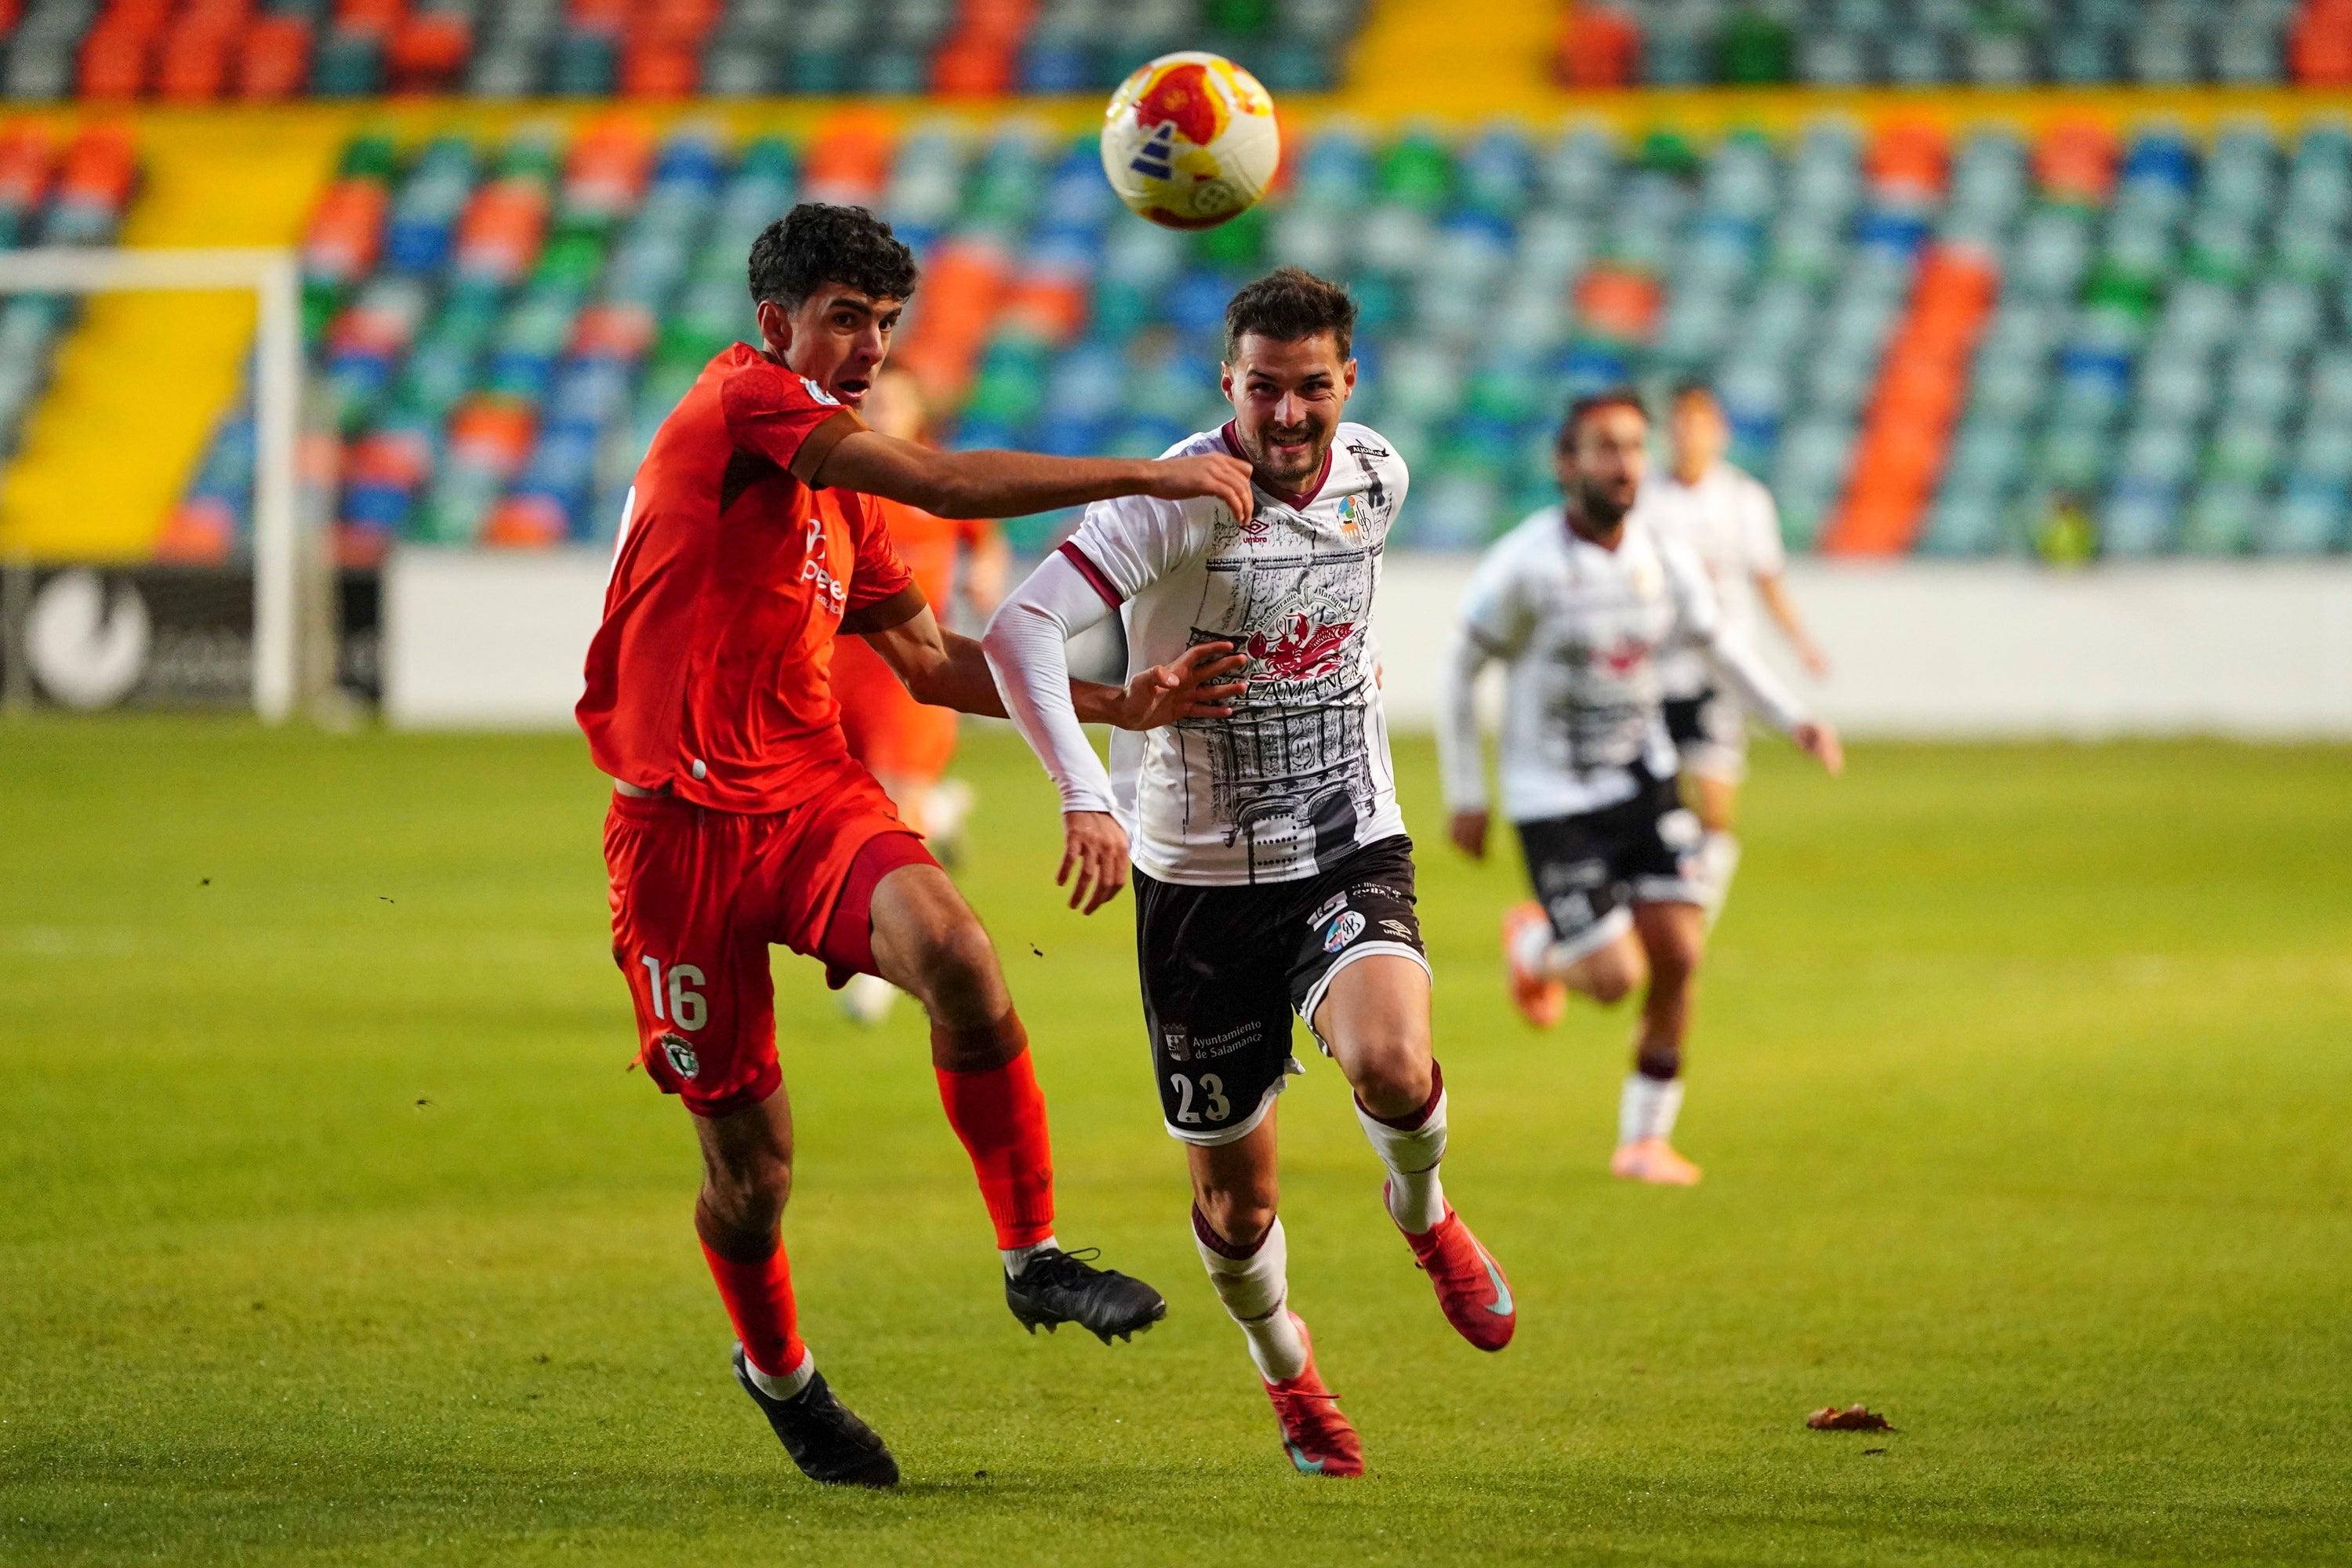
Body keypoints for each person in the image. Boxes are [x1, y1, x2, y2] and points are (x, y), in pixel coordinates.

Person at [577, 203, 1257, 1489]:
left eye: (886, 323)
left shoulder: (835, 497)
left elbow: (939, 665)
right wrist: (1153, 472)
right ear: (776, 323)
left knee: (958, 952)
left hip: (804, 795)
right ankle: (779, 1374)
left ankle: (1034, 1256)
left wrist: (1118, 704)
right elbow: (945, 480)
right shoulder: (746, 408)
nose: (871, 347)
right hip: (673, 834)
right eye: (848, 318)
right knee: (752, 1168)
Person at [983, 267, 1515, 1481]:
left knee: (1392, 1060)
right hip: (1197, 883)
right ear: (1227, 384)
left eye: (1312, 388)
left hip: (1346, 838)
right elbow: (1019, 628)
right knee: (1237, 1210)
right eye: (1263, 389)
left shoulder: (1377, 475)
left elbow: (1337, 616)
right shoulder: (1173, 500)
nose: (1288, 416)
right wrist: (1087, 790)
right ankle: (1291, 1375)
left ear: (1349, 384)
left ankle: (1425, 1217)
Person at [1437, 390, 1842, 1188]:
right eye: (1605, 448)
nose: (1624, 463)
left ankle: (1643, 1141)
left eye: (1633, 447)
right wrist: (1466, 793)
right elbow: (1461, 668)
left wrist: (1794, 718)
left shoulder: (1662, 557)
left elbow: (1724, 646)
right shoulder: (1526, 564)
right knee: (1616, 977)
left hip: (1642, 782)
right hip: (1552, 799)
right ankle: (1534, 946)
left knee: (1681, 953)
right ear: (1567, 464)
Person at [829, 364, 1011, 1025]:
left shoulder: (932, 479)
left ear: (916, 410)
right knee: (846, 800)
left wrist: (986, 580)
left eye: (894, 399)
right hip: (836, 657)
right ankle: (947, 807)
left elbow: (983, 540)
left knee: (896, 807)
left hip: (907, 662)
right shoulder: (836, 474)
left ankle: (884, 965)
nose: (880, 408)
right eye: (873, 398)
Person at [1634, 381, 1831, 923]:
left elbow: (1769, 580)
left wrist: (1801, 642)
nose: (1688, 434)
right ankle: (1661, 902)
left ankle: (1695, 914)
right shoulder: (1645, 498)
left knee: (1716, 812)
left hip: (1719, 672)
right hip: (1653, 671)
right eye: (1679, 423)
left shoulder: (1744, 500)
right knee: (1656, 807)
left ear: (1718, 432)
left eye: (1699, 422)